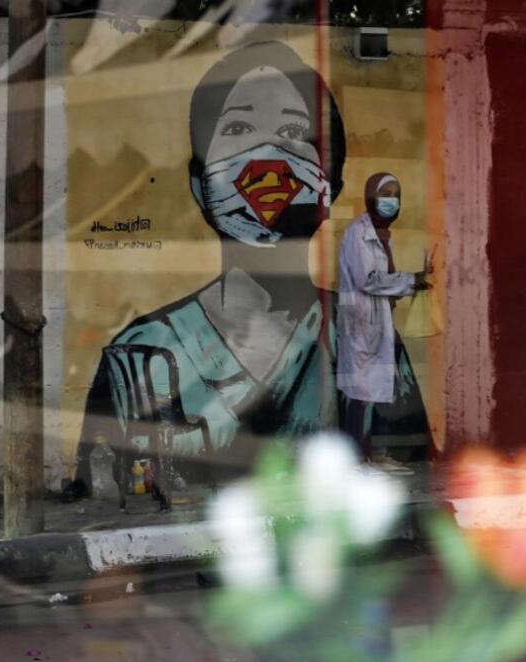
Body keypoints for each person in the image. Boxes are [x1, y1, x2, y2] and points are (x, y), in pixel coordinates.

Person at [66, 41, 348, 503]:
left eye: (295, 130)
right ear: (198, 186)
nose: (267, 153)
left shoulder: (357, 332)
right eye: (238, 126)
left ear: (329, 186)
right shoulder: (137, 356)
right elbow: (103, 489)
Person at [336, 172, 432, 474]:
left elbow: (381, 281)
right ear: (370, 198)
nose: (392, 201)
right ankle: (356, 458)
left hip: (376, 321)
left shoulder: (379, 234)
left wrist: (412, 282)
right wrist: (408, 280)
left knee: (378, 388)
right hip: (362, 323)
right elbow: (368, 280)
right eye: (386, 194)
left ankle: (376, 455)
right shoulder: (358, 234)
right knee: (360, 394)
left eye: (396, 194)